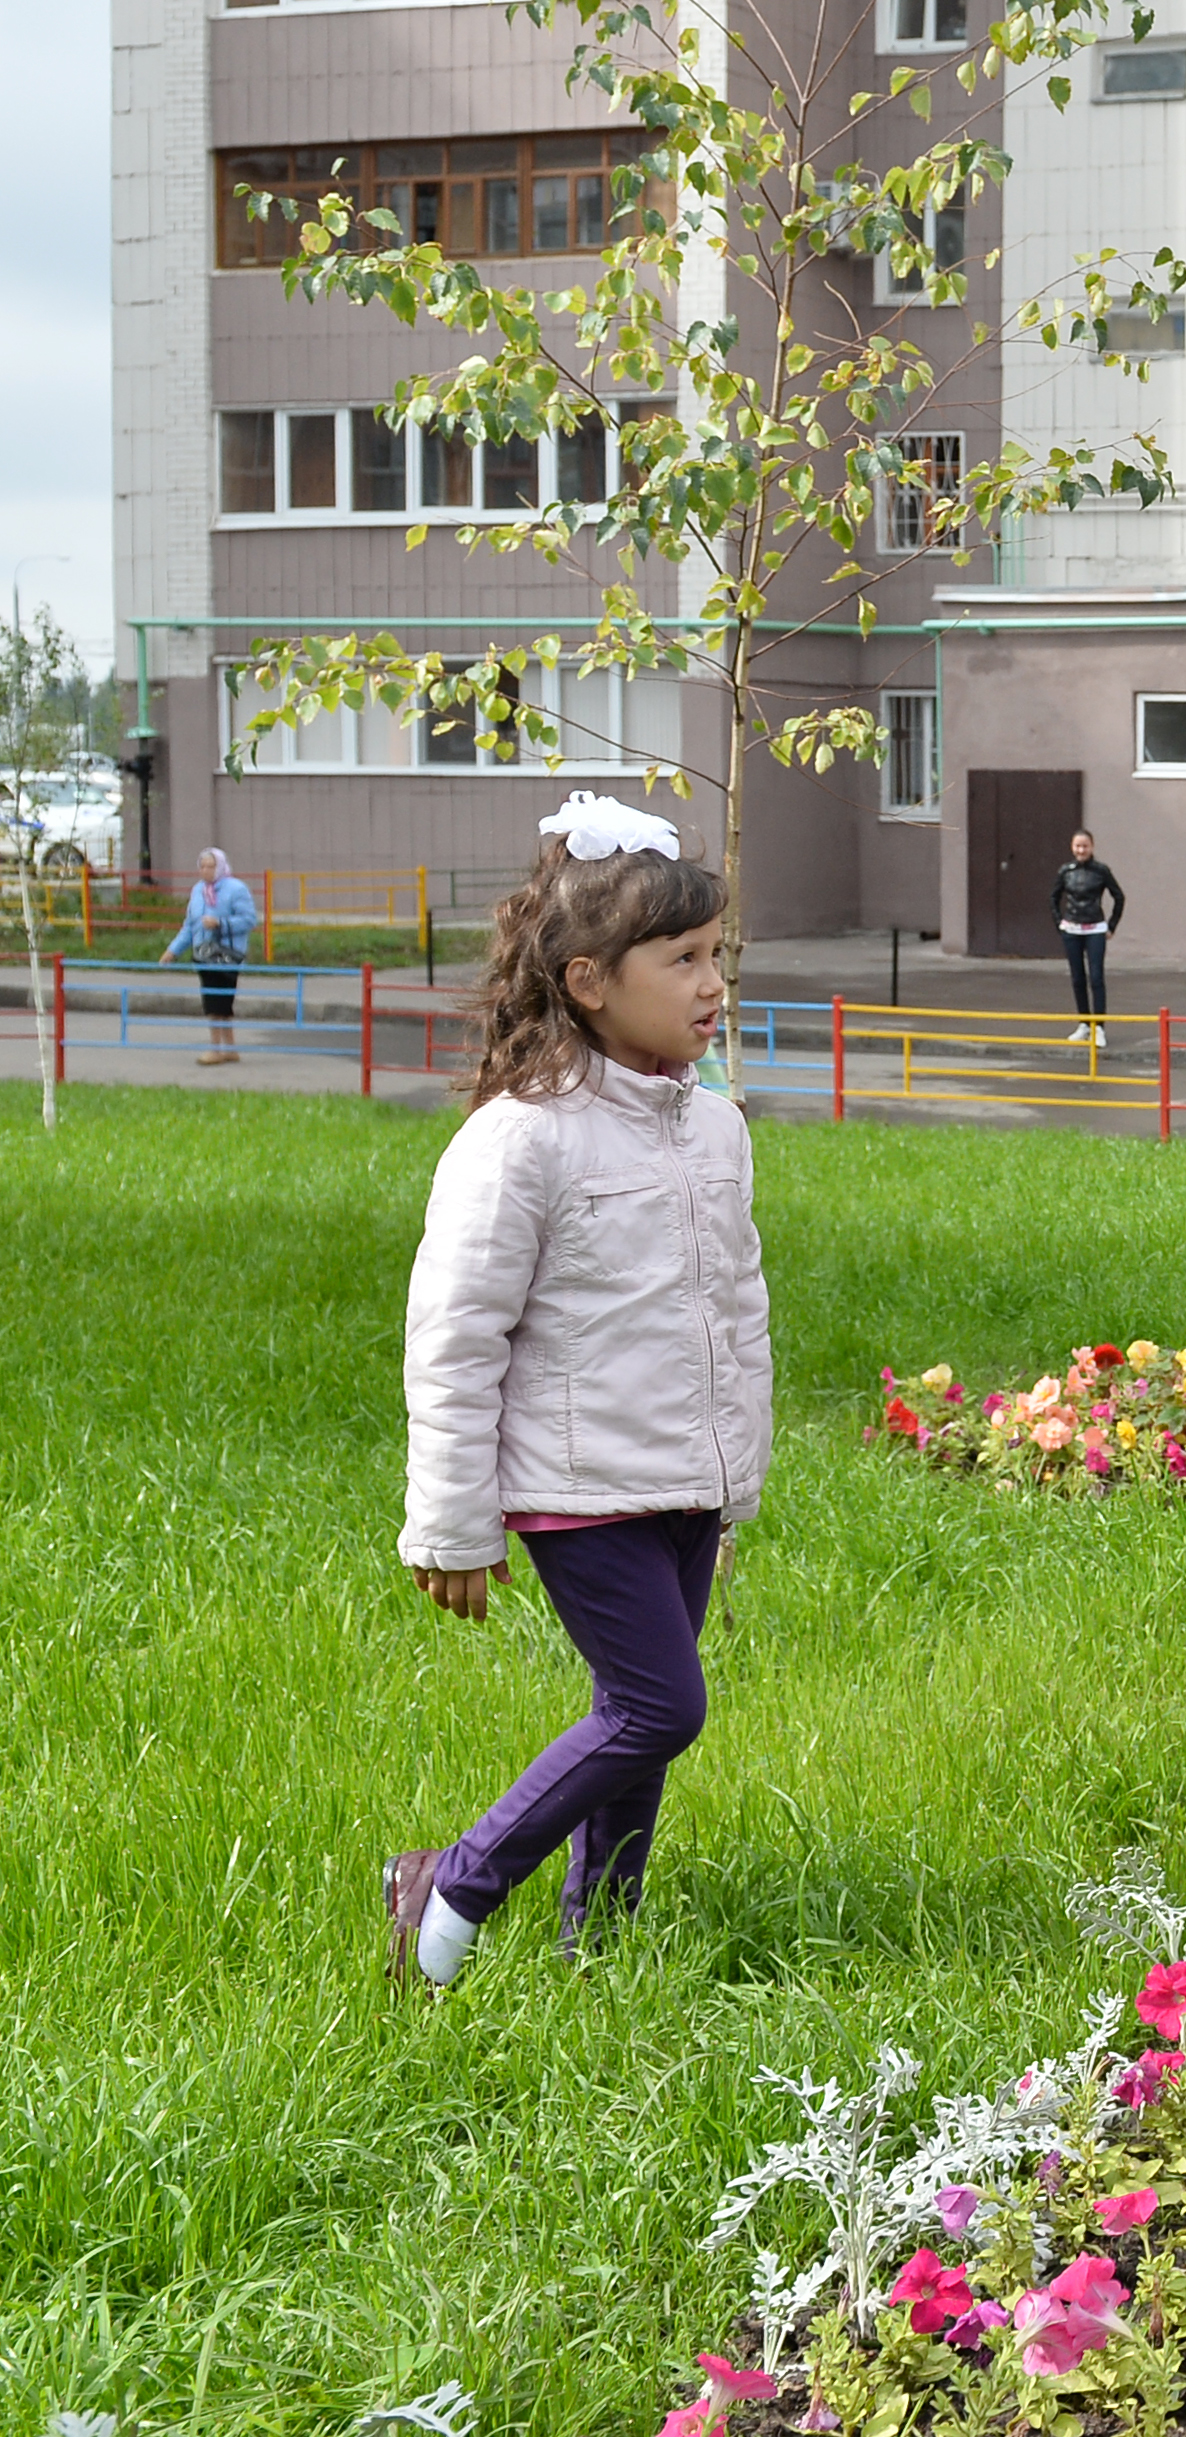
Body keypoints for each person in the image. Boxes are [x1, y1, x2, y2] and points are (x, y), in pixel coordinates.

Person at [382, 794, 770, 1988]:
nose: (714, 985)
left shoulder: (715, 1128)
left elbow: (736, 1313)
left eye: (720, 958)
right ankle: (447, 1889)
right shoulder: (523, 1139)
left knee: (633, 1720)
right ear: (590, 980)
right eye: (685, 960)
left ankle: (598, 1946)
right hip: (576, 1481)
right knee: (661, 1707)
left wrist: (733, 1482)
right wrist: (452, 1519)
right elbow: (456, 1333)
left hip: (681, 1479)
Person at [157, 845, 258, 1065]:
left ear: (220, 866)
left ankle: (216, 1049)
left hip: (226, 954)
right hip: (204, 954)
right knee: (215, 1000)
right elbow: (190, 925)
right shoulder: (198, 891)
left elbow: (249, 920)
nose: (205, 870)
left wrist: (220, 923)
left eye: (210, 866)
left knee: (218, 1001)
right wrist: (173, 950)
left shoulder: (235, 889)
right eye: (201, 866)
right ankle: (229, 1048)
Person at [1054, 831, 1123, 1046]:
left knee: (1096, 978)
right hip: (1072, 929)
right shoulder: (1066, 871)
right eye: (1077, 846)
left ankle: (1099, 1028)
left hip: (1095, 929)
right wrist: (1060, 923)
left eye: (1085, 846)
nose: (1081, 850)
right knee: (1077, 978)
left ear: (1092, 847)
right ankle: (1084, 1023)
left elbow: (1119, 896)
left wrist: (1111, 926)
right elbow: (1053, 897)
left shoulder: (1101, 871)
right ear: (1072, 847)